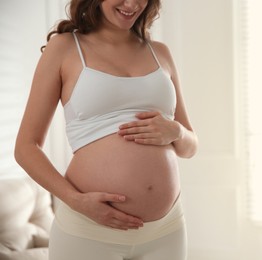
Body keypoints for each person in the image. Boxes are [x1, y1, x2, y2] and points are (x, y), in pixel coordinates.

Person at [14, 0, 198, 259]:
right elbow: (25, 148)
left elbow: (190, 146)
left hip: (165, 230)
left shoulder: (160, 52)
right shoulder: (65, 48)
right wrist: (76, 201)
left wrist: (176, 131)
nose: (132, 4)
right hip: (90, 229)